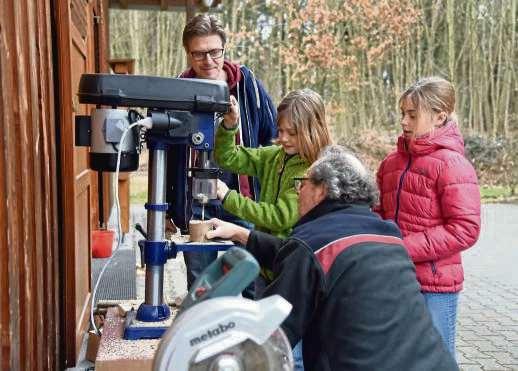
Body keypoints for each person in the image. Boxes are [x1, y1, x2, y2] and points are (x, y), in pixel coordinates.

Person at [206, 145, 458, 370]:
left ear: (321, 190)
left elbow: (270, 335)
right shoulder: (388, 236)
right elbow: (310, 261)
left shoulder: (313, 245)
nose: (298, 191)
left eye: (301, 183)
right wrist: (242, 234)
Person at [215, 88, 332, 370]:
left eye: (291, 133)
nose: (283, 139)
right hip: (265, 266)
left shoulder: (312, 171)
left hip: (294, 272)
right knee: (268, 345)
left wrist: (228, 198)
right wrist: (230, 125)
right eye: (280, 131)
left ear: (311, 129)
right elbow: (228, 158)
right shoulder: (274, 157)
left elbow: (280, 216)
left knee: (293, 351)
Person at [165, 14, 277, 289]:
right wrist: (169, 206)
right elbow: (169, 154)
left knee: (250, 280)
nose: (208, 61)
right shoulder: (178, 88)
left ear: (224, 49)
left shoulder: (248, 85)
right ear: (188, 53)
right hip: (197, 204)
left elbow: (271, 139)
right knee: (201, 285)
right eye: (199, 54)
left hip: (243, 201)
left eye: (215, 52)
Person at [376, 76, 481, 355]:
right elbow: (377, 213)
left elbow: (465, 228)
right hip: (394, 278)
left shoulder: (453, 164)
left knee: (437, 359)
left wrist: (402, 247)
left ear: (439, 116)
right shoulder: (390, 164)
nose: (404, 122)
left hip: (435, 286)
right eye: (402, 114)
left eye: (412, 115)